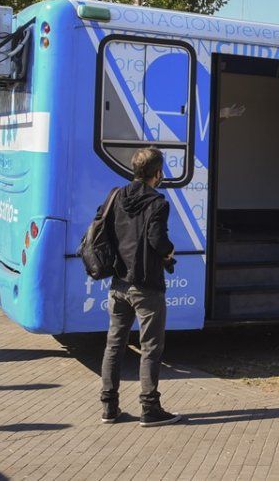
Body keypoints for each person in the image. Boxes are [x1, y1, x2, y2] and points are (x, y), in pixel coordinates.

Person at [99, 146, 180, 427]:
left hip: (119, 282)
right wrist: (169, 252)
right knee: (151, 347)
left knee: (114, 345)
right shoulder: (158, 203)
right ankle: (150, 408)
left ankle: (109, 407)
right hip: (147, 285)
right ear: (157, 173)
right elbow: (158, 240)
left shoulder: (116, 195)